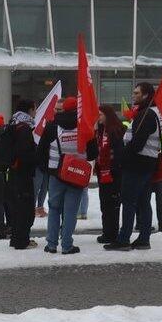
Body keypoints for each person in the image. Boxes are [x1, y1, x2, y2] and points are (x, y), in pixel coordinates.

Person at [108, 82, 162, 250]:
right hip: (147, 163)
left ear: (146, 95)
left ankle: (123, 239)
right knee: (143, 202)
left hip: (137, 164)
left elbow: (137, 143)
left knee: (128, 201)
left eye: (136, 93)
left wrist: (122, 157)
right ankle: (143, 239)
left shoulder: (146, 115)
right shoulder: (152, 113)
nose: (133, 95)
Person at [39, 98, 97, 255]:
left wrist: (48, 169)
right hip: (76, 176)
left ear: (63, 109)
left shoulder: (52, 126)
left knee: (54, 208)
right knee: (71, 211)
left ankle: (51, 244)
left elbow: (41, 151)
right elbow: (93, 153)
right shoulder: (85, 127)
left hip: (56, 174)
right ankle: (66, 245)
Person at [0, 110, 41, 250]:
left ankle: (16, 238)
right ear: (30, 110)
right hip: (23, 175)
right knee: (25, 209)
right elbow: (25, 154)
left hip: (12, 174)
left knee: (16, 208)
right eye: (34, 109)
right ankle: (22, 241)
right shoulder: (24, 129)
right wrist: (36, 155)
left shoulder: (12, 126)